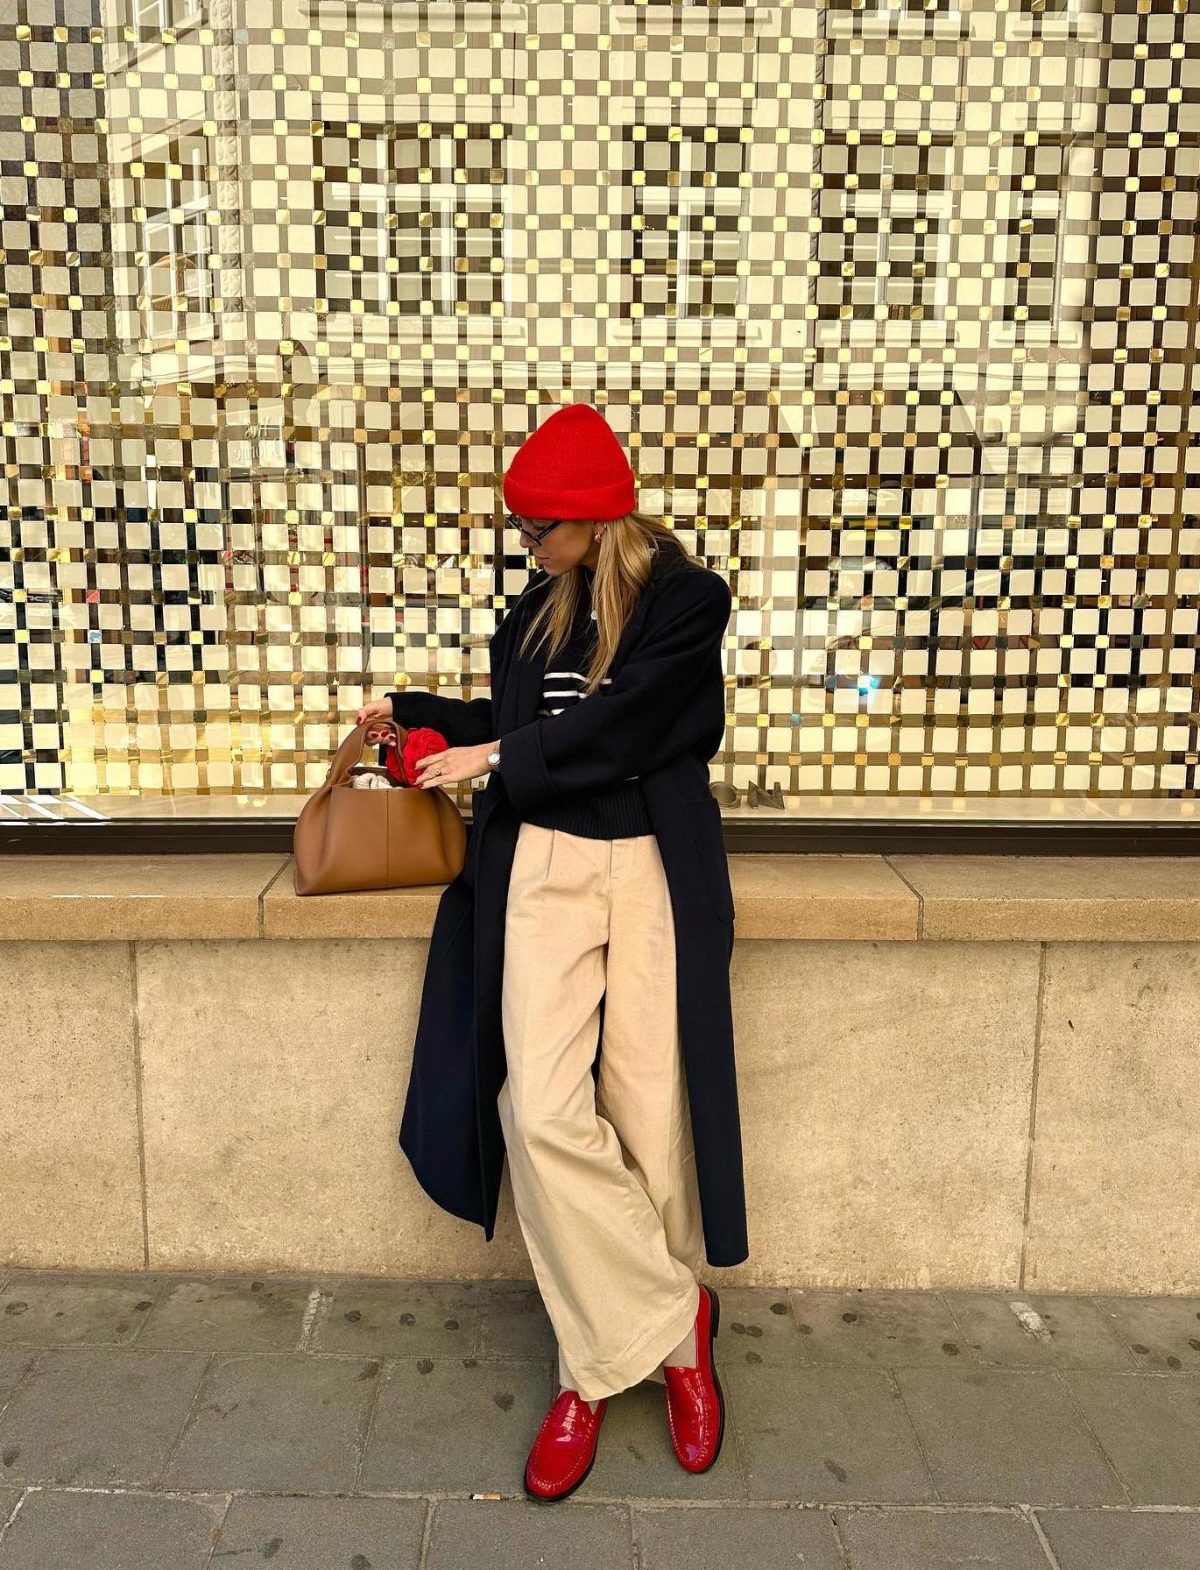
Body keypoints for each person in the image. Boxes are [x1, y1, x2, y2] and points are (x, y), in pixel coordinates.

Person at [357, 402, 747, 1503]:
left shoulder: (687, 600)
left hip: (651, 872)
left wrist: (493, 751)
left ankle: (596, 1366)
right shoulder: (536, 607)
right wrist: (426, 714)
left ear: (590, 517)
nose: (526, 544)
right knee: (539, 1109)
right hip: (546, 872)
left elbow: (626, 724)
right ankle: (676, 1324)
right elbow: (523, 719)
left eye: (538, 527)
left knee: (643, 1112)